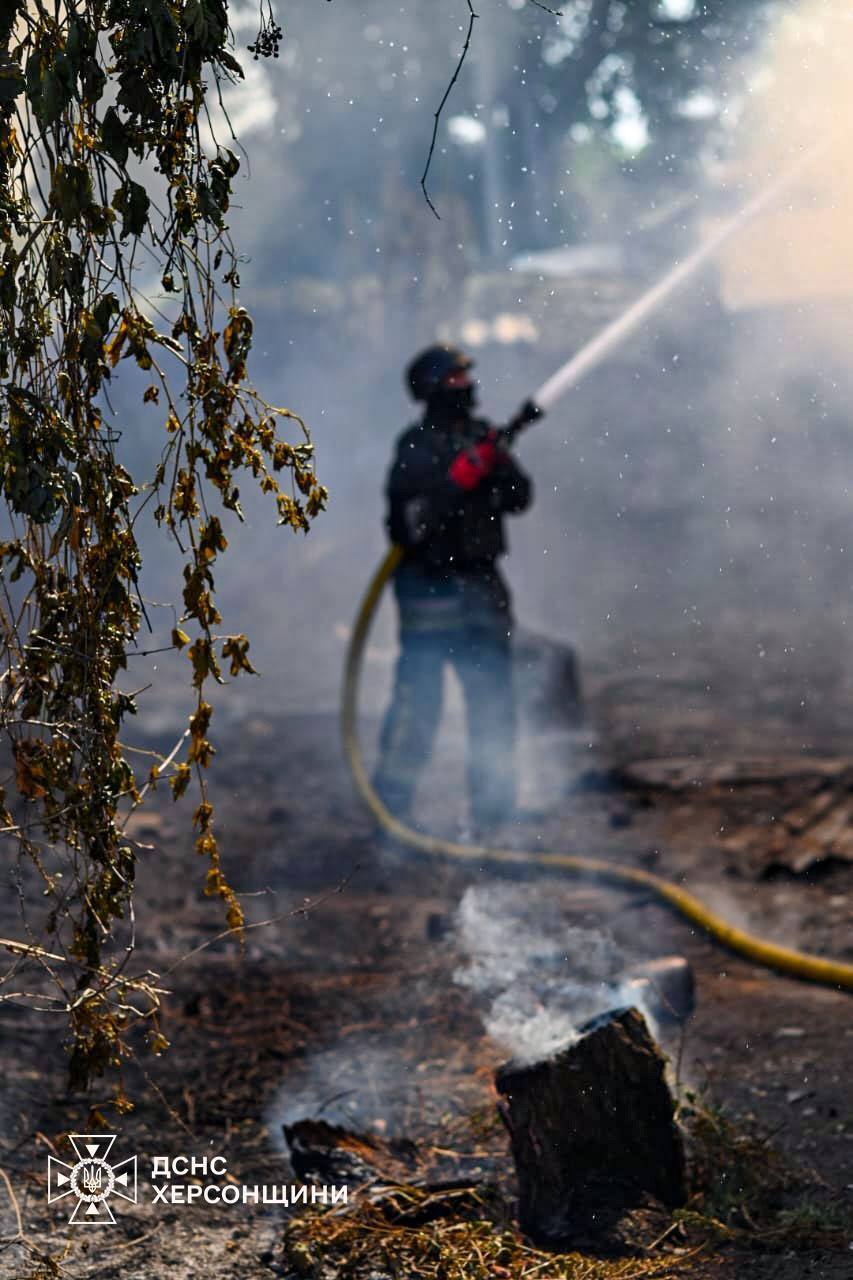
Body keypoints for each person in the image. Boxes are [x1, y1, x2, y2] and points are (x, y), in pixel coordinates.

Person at [372, 344, 540, 831]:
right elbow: (407, 527)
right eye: (456, 378)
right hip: (430, 592)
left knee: (493, 705)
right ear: (432, 389)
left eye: (468, 377)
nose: (467, 386)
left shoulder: (483, 438)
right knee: (418, 705)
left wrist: (493, 468)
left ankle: (494, 817)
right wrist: (456, 480)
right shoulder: (415, 448)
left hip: (482, 590)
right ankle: (392, 811)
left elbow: (521, 497)